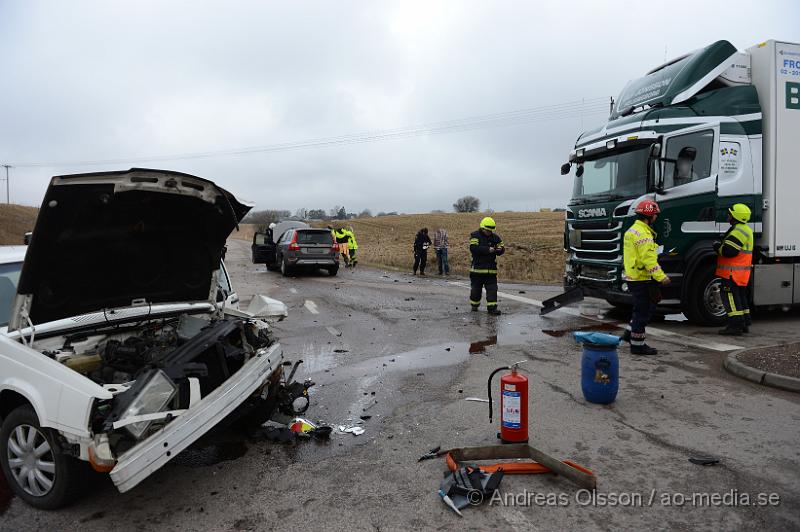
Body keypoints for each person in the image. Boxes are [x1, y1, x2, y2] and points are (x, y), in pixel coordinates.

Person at [622, 200, 671, 355]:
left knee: (640, 309)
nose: (656, 216)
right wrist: (662, 277)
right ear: (650, 215)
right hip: (643, 278)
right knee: (644, 312)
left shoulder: (633, 230)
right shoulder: (644, 233)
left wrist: (654, 248)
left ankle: (629, 334)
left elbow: (637, 253)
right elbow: (648, 259)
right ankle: (637, 345)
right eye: (655, 214)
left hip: (633, 277)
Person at [714, 203, 754, 336]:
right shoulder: (745, 229)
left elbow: (729, 251)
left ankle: (735, 326)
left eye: (730, 213)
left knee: (730, 298)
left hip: (732, 272)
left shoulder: (738, 231)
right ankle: (744, 323)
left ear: (736, 216)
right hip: (740, 272)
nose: (728, 215)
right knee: (740, 297)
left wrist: (717, 247)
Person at [469, 217, 504, 315]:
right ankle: (474, 305)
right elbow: (474, 248)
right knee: (476, 290)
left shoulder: (495, 238)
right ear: (482, 228)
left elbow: (502, 247)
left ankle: (492, 308)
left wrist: (499, 249)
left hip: (491, 271)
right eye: (488, 230)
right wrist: (488, 250)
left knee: (492, 289)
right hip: (477, 271)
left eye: (491, 231)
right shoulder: (475, 235)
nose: (489, 232)